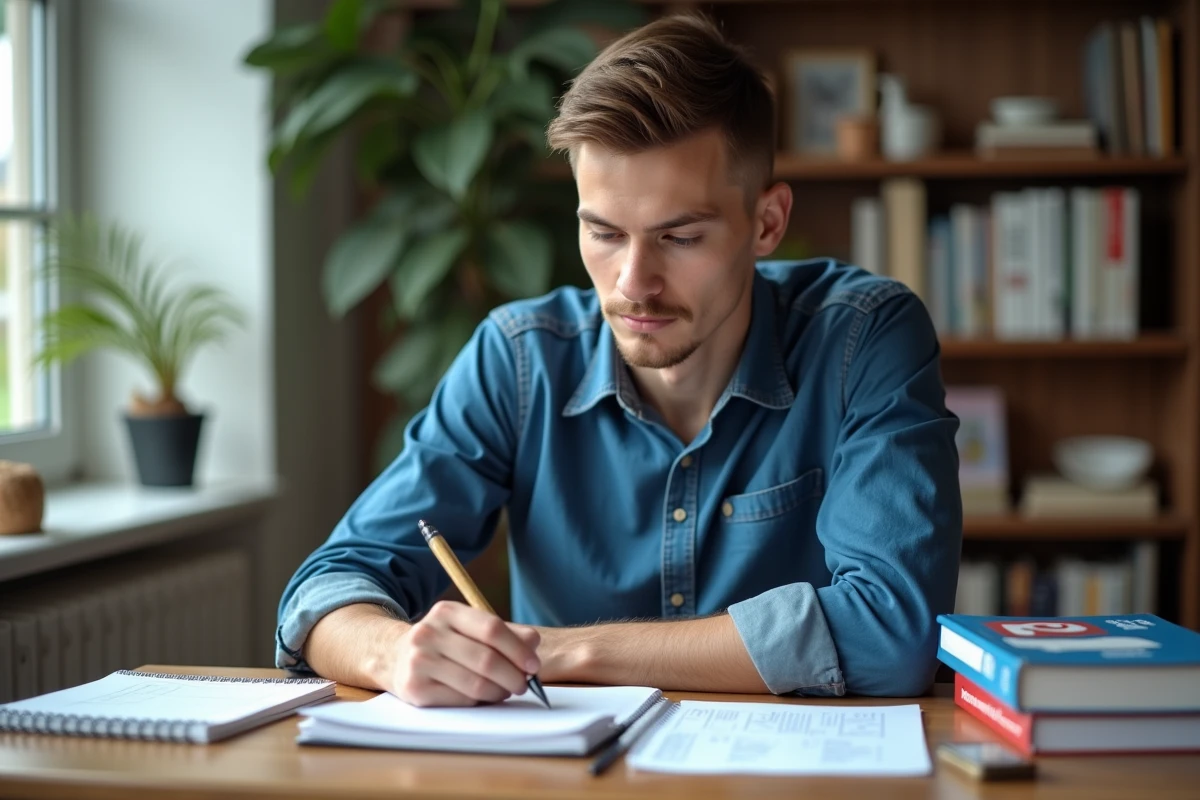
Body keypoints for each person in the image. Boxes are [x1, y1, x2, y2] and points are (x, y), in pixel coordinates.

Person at [276, 13, 961, 707]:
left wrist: (564, 651)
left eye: (680, 237)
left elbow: (893, 632)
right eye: (603, 233)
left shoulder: (864, 338)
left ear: (767, 223)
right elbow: (322, 595)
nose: (634, 283)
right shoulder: (520, 359)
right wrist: (394, 652)